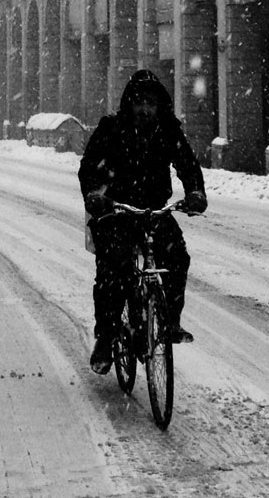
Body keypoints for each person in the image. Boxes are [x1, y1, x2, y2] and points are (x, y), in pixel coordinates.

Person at [77, 69, 207, 375]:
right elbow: (89, 167)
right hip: (116, 211)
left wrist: (195, 192)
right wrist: (95, 195)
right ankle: (106, 337)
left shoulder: (168, 129)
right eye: (139, 103)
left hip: (154, 211)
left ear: (159, 105)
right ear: (129, 104)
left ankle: (170, 322)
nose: (145, 109)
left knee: (177, 257)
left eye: (150, 103)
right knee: (114, 270)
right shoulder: (112, 128)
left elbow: (187, 163)